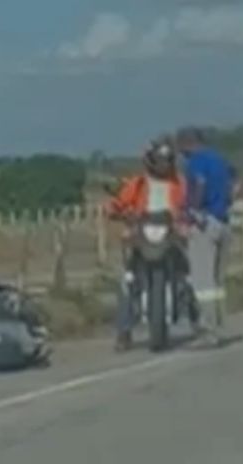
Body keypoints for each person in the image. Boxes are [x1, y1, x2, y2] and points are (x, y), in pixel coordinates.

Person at [107, 138, 188, 352]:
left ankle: (189, 313)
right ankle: (124, 332)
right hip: (141, 234)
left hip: (169, 235)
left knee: (184, 274)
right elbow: (118, 203)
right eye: (159, 160)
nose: (163, 165)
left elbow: (188, 204)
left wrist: (187, 220)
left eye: (167, 160)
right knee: (128, 281)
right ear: (150, 161)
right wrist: (117, 211)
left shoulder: (179, 183)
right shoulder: (138, 183)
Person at [177, 127, 238, 348]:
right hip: (224, 222)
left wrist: (191, 211)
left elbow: (199, 184)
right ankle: (220, 327)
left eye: (181, 147)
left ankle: (208, 331)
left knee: (203, 283)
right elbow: (233, 184)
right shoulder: (220, 160)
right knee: (217, 282)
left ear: (187, 144)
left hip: (205, 223)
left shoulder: (196, 162)